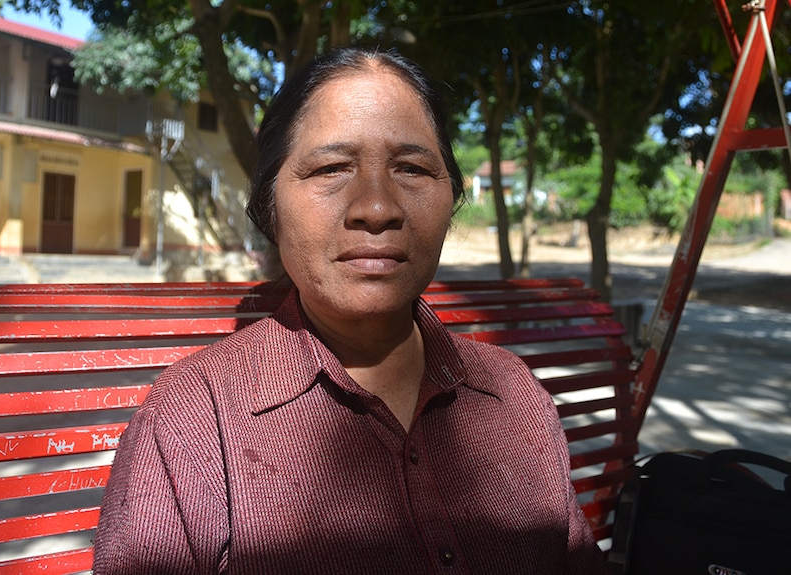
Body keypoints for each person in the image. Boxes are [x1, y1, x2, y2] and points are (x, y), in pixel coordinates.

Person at [92, 47, 610, 574]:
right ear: (269, 202)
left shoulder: (514, 394)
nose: (377, 208)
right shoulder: (195, 423)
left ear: (451, 195)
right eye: (332, 168)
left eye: (411, 168)